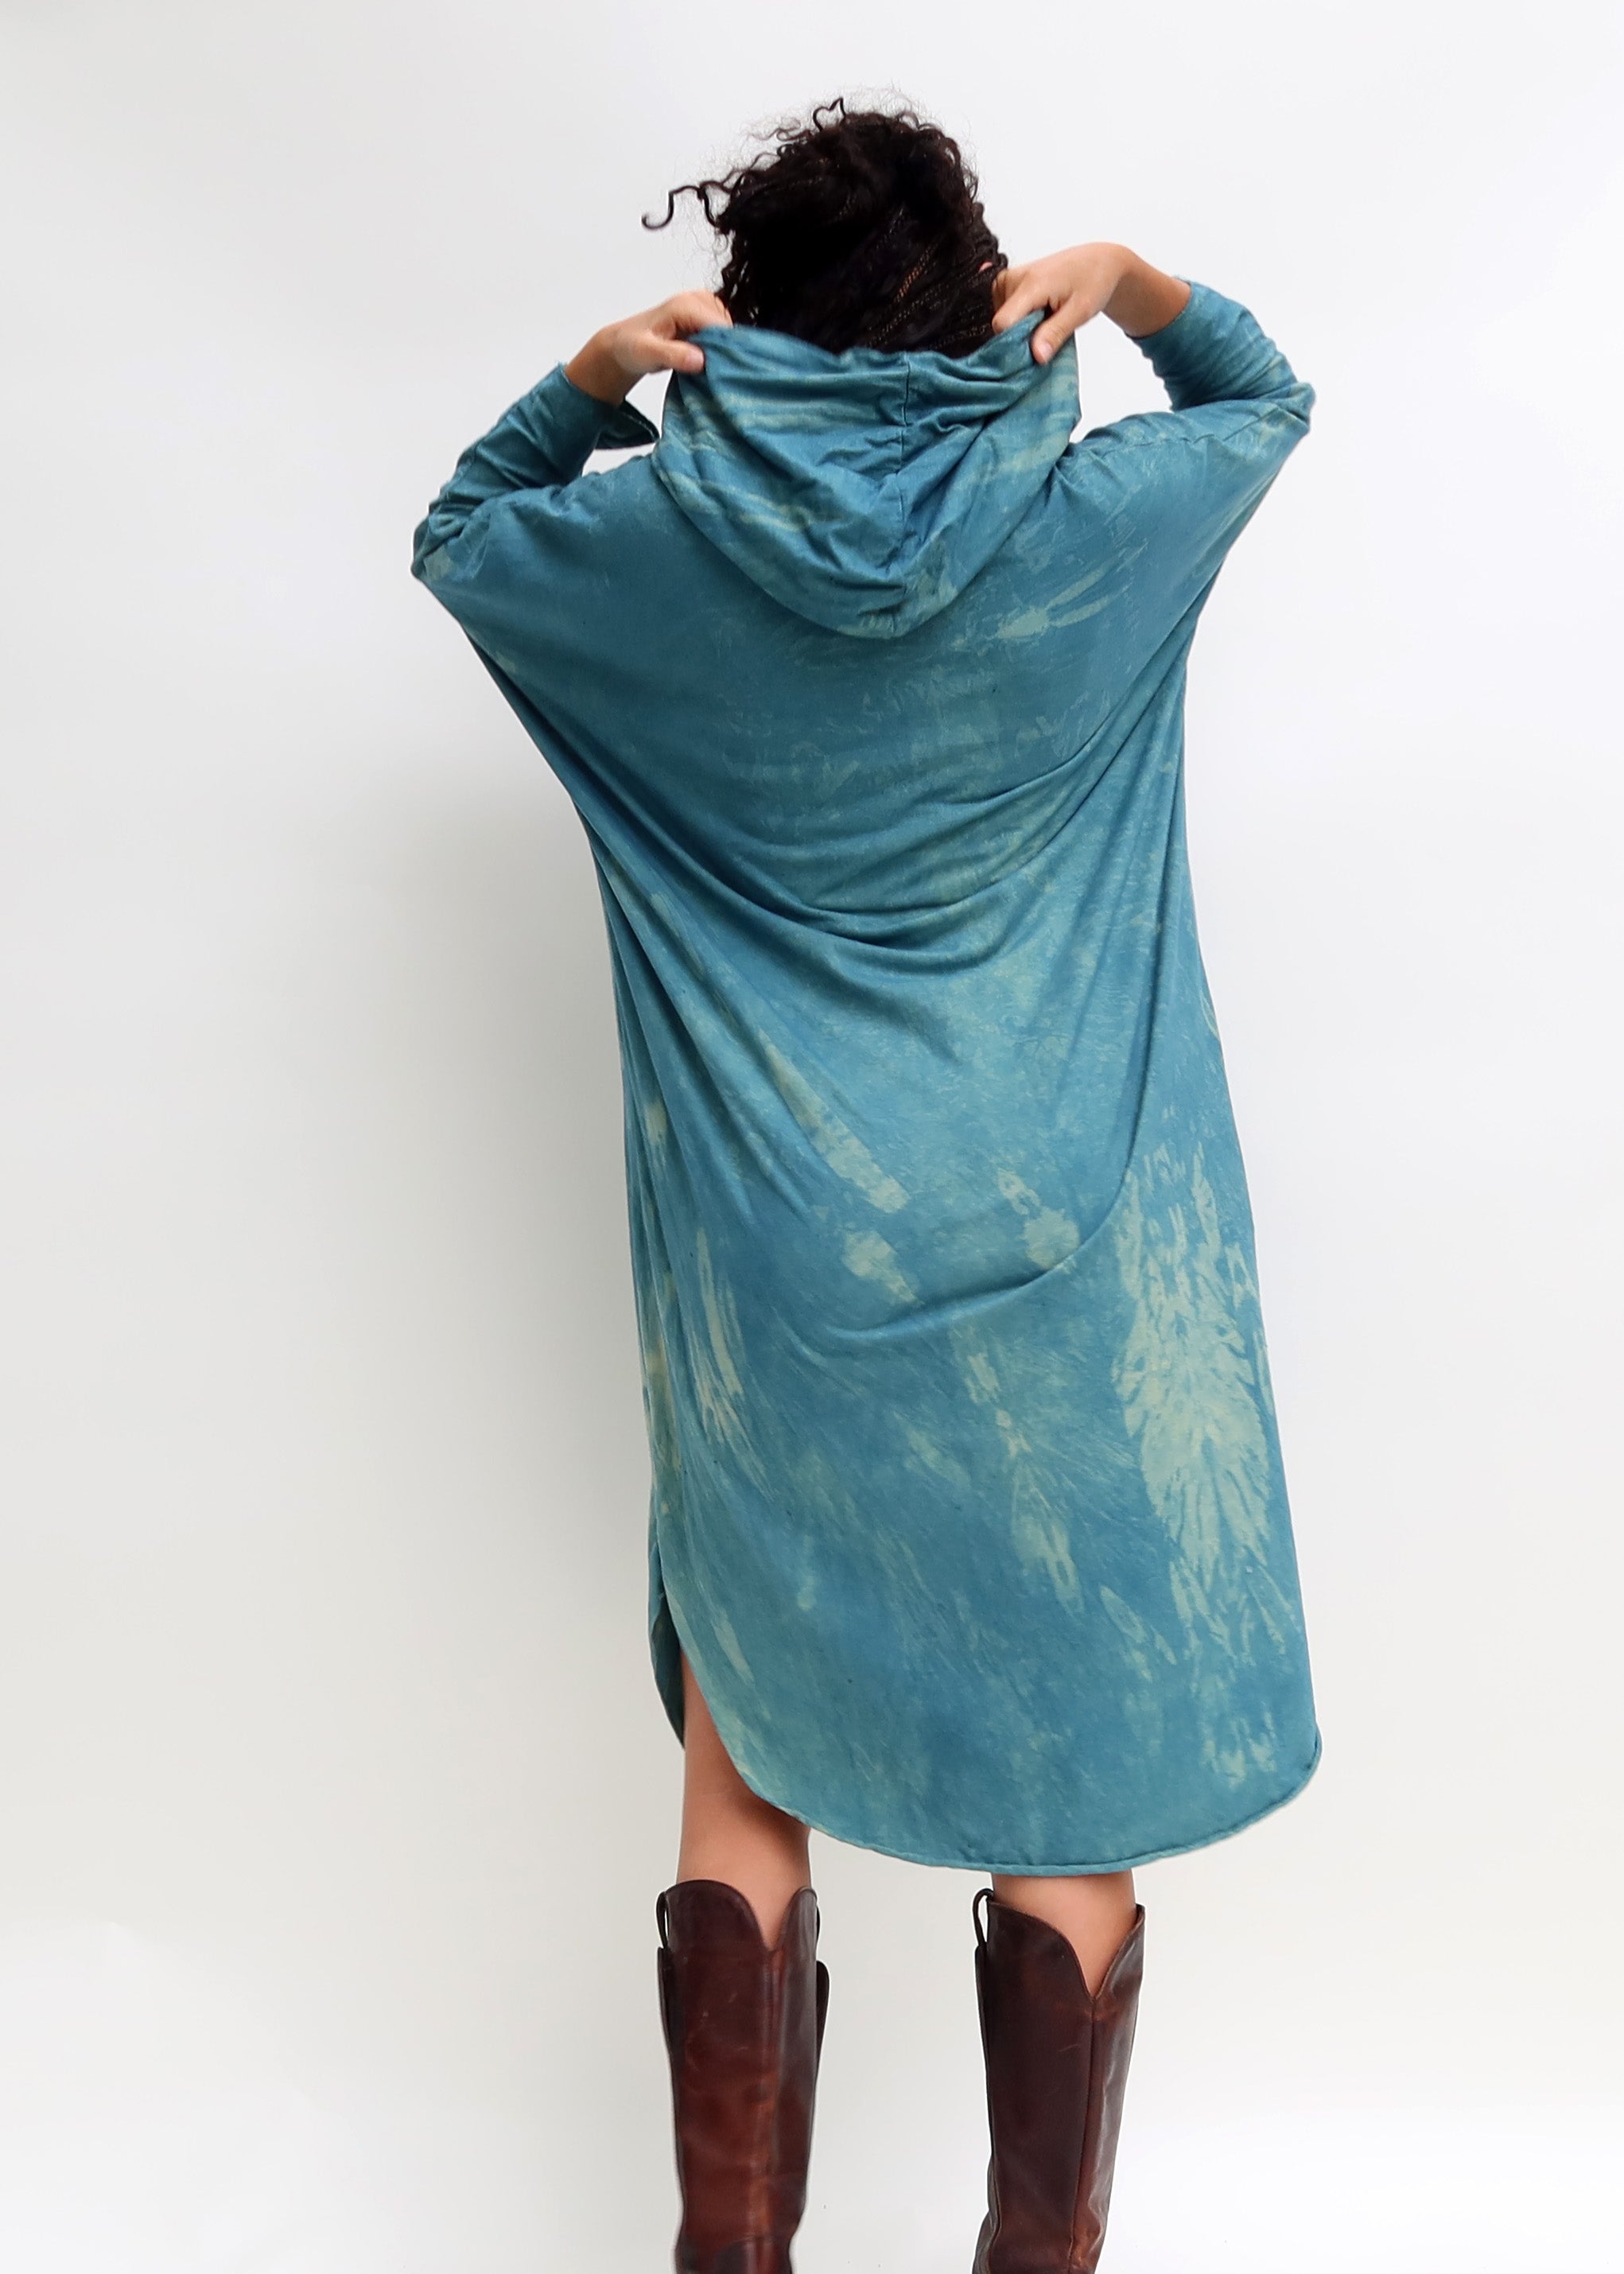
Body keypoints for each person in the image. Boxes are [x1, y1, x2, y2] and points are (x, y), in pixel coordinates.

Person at [413, 95, 1320, 2274]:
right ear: (973, 293)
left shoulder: (646, 552)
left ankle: (727, 2254)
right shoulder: (1094, 521)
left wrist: (597, 377)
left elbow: (463, 528)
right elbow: (1262, 398)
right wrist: (1129, 284)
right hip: (1074, 1245)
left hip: (782, 1252)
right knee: (1069, 1783)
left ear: (750, 310)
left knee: (750, 1755)